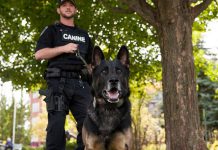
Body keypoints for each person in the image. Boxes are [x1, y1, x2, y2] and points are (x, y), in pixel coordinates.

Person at [35, 0, 93, 149]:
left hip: (81, 83)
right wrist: (63, 48)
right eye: (64, 5)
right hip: (58, 83)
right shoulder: (52, 30)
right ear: (58, 10)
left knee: (90, 123)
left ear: (76, 10)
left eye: (71, 5)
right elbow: (39, 54)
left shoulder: (84, 35)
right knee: (56, 125)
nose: (68, 7)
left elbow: (91, 63)